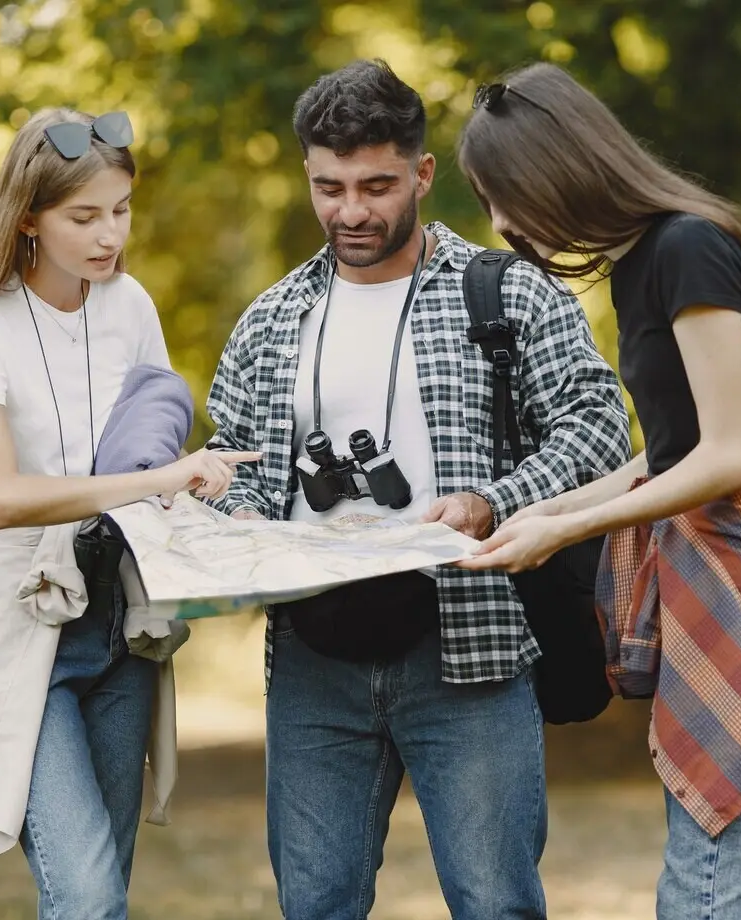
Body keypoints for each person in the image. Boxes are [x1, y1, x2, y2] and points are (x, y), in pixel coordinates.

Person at [204, 60, 632, 919]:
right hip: (313, 657)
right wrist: (244, 528)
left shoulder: (507, 291)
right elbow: (225, 468)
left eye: (376, 185)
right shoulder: (271, 319)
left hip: (470, 648)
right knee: (315, 903)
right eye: (329, 187)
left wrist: (495, 501)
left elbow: (601, 425)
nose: (351, 211)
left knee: (496, 903)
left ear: (423, 174)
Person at [456, 63, 741, 920]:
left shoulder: (687, 249)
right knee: (707, 872)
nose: (499, 223)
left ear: (555, 169)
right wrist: (540, 511)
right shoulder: (642, 264)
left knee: (706, 884)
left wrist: (568, 534)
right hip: (704, 583)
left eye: (502, 195)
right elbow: (668, 453)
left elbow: (728, 459)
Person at [0, 106, 257, 919]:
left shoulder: (130, 305)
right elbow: (2, 496)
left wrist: (206, 501)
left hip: (123, 618)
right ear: (28, 217)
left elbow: (149, 454)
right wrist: (155, 480)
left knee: (98, 896)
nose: (111, 234)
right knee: (90, 896)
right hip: (24, 620)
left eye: (121, 209)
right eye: (84, 216)